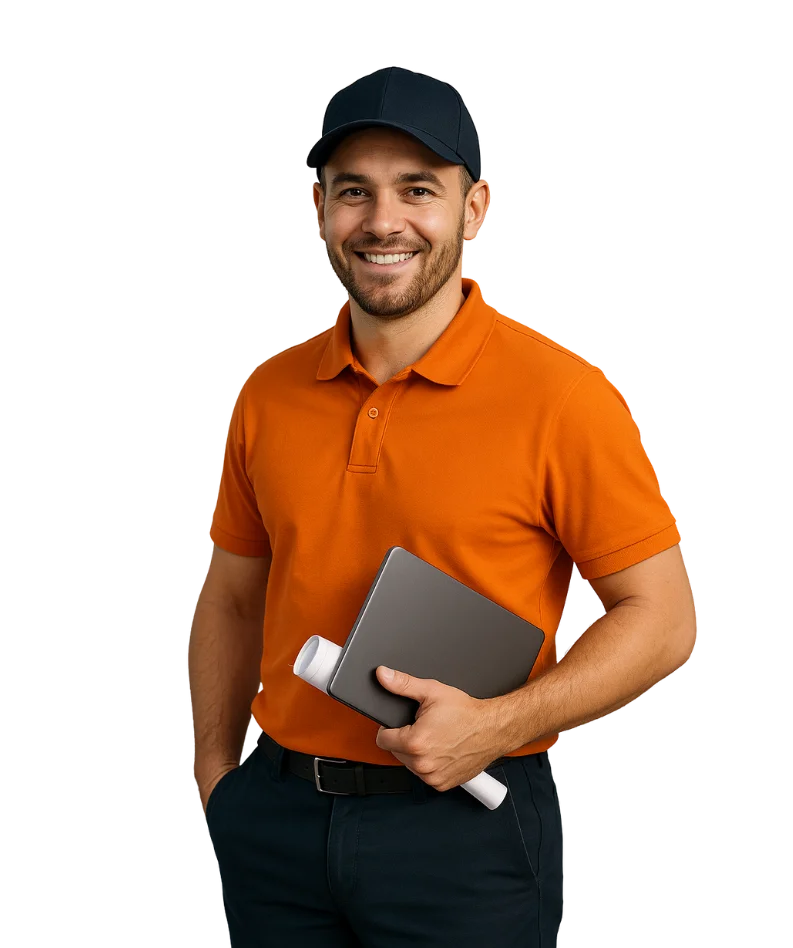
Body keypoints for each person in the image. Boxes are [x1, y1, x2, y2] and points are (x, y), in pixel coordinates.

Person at [187, 66, 697, 948]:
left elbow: (661, 622)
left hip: (463, 828)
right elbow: (233, 595)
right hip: (271, 823)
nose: (382, 222)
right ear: (319, 212)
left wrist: (496, 725)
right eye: (354, 192)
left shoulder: (563, 397)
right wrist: (216, 779)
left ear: (474, 209)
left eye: (417, 189)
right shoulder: (266, 393)